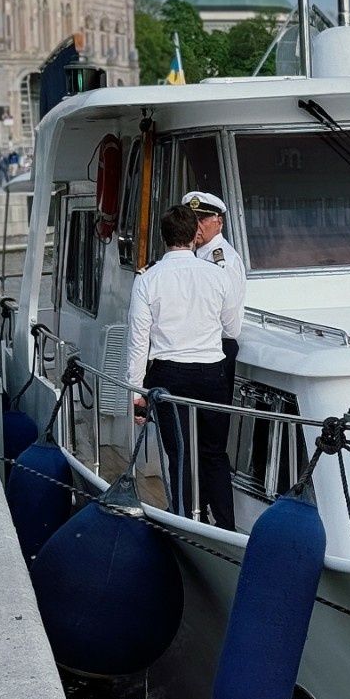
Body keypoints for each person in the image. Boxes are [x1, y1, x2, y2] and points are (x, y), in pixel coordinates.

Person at [125, 201, 242, 528]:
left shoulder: (148, 280)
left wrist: (136, 392)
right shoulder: (217, 276)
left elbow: (138, 340)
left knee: (180, 454)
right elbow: (231, 330)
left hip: (168, 374)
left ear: (164, 237)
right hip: (211, 373)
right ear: (194, 235)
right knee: (214, 453)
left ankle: (189, 524)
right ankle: (227, 527)